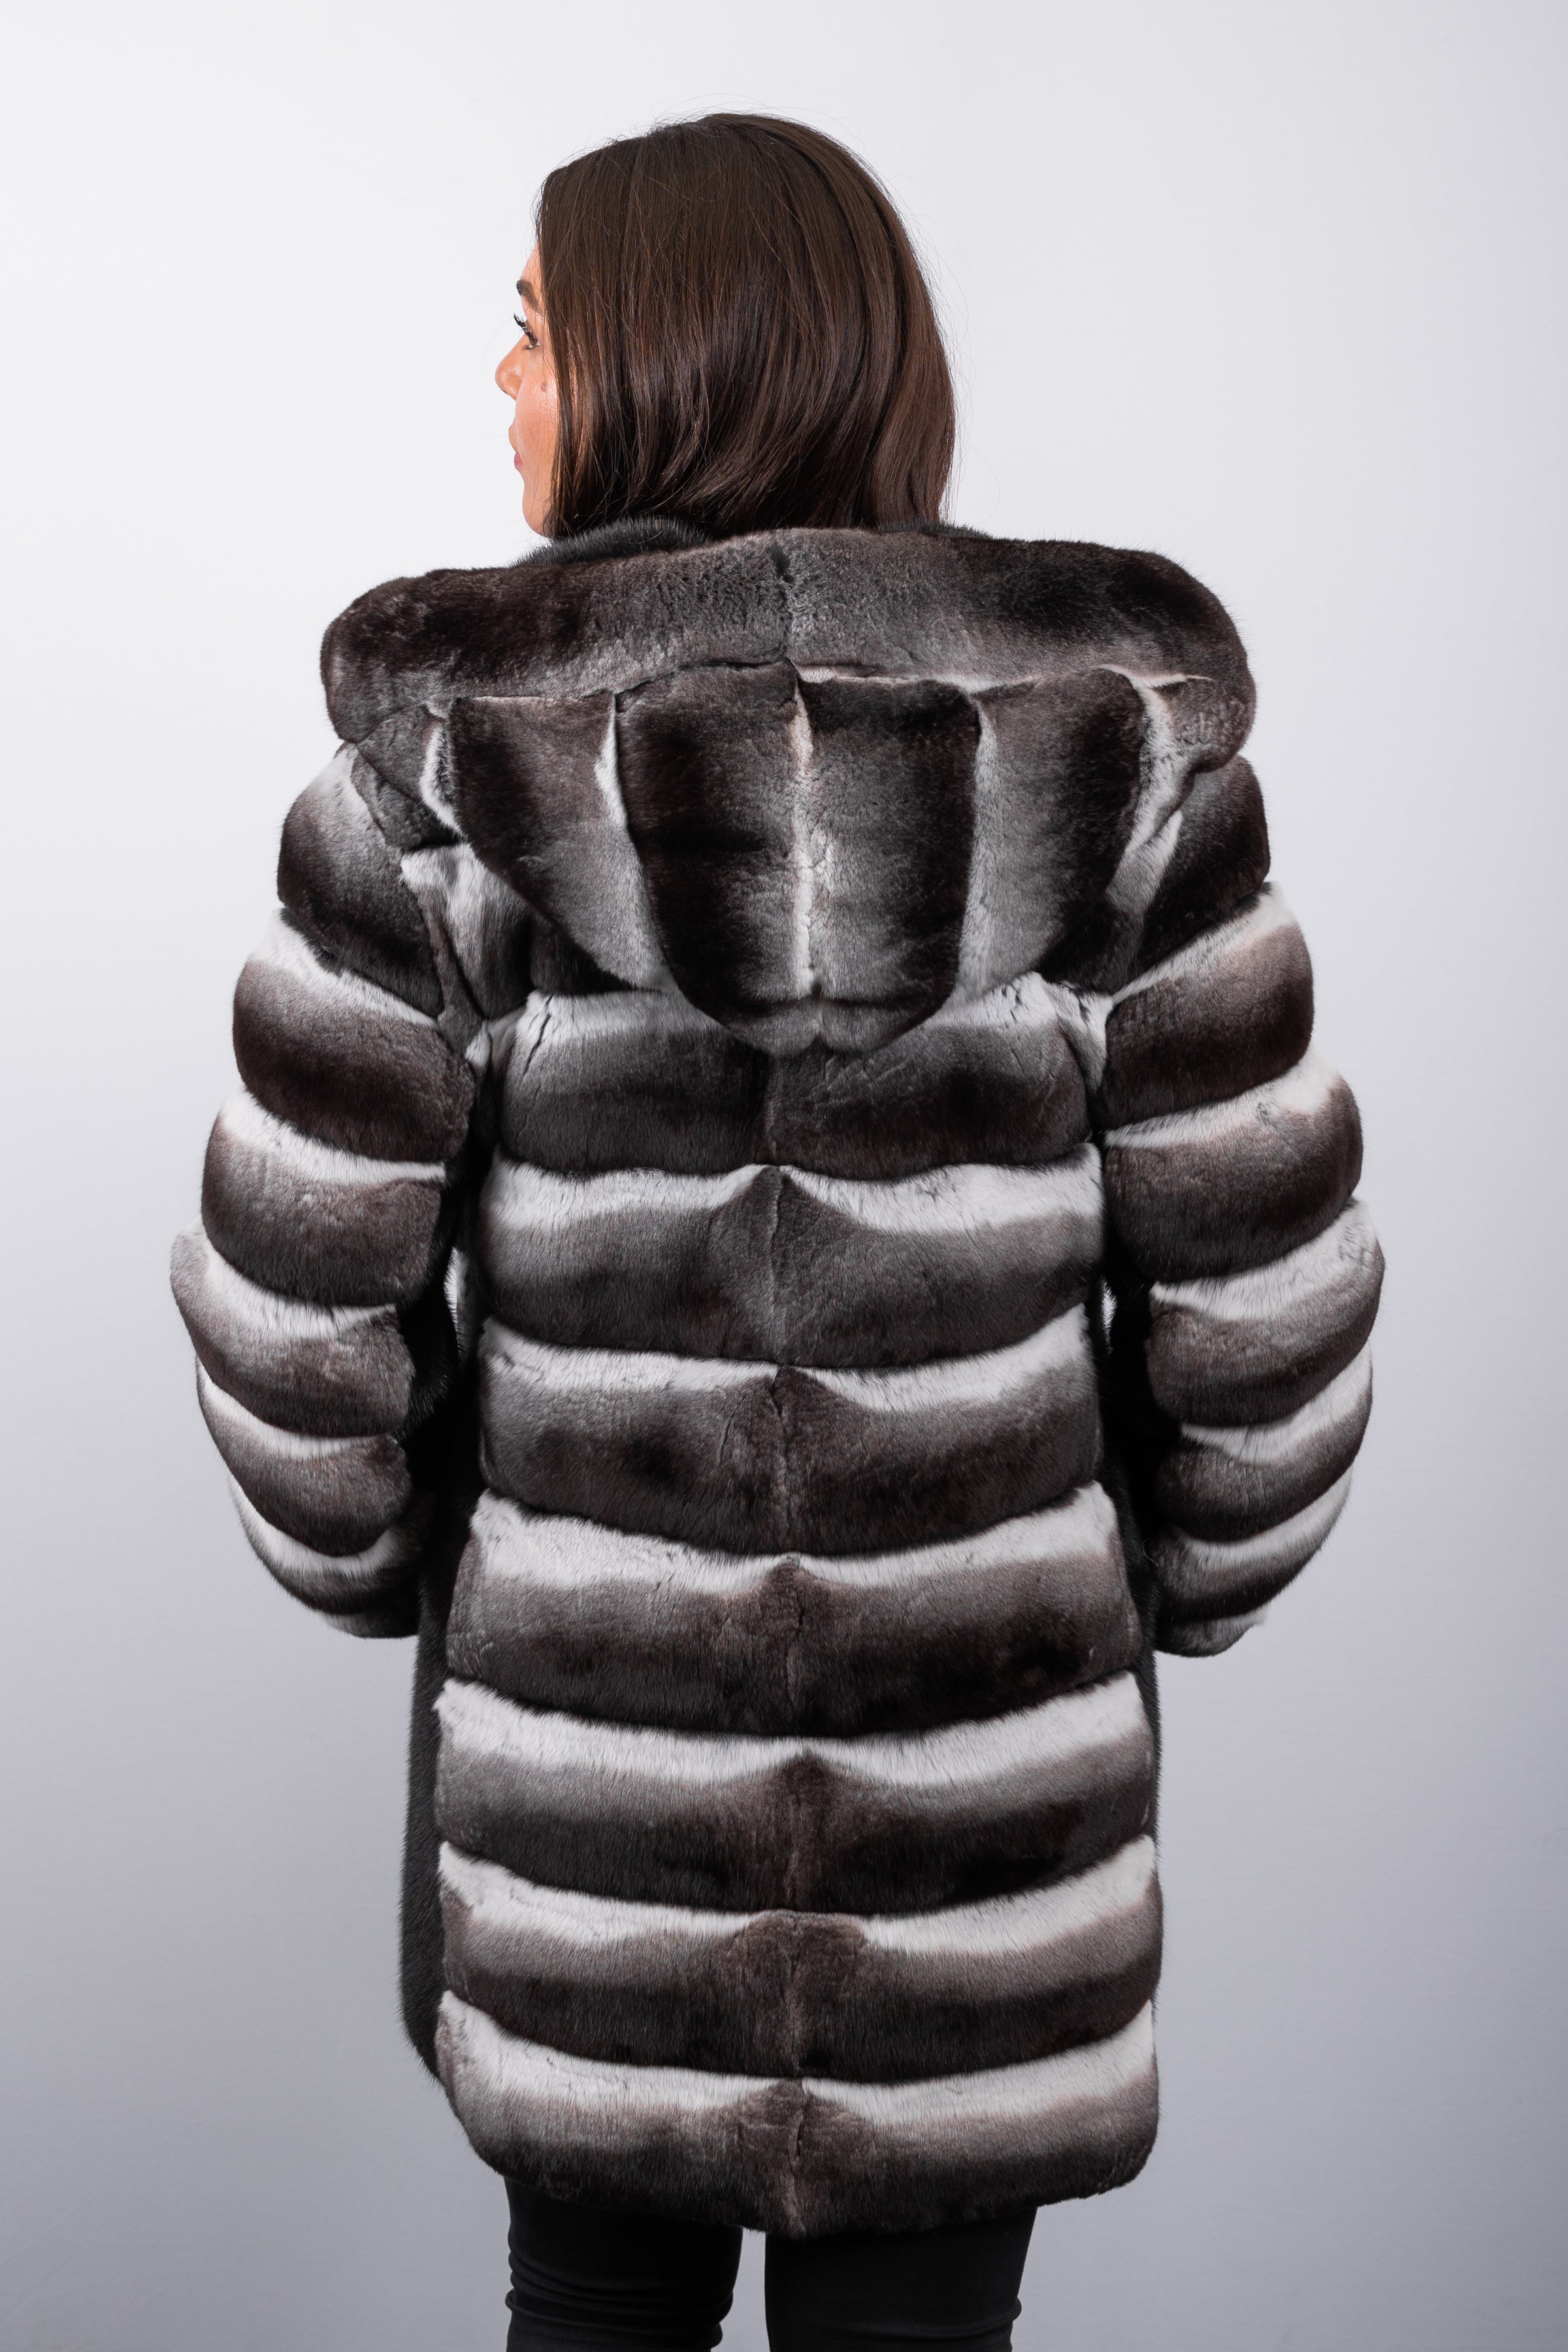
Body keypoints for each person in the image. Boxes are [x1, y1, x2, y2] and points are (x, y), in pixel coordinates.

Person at [172, 112, 1382, 2352]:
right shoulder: (1119, 762)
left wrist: (472, 1575)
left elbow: (290, 1317)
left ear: (661, 359)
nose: (502, 380)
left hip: (593, 1859)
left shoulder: (441, 776)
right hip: (979, 1841)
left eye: (536, 331)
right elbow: (1271, 1321)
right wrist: (1110, 1593)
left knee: (589, 2326)